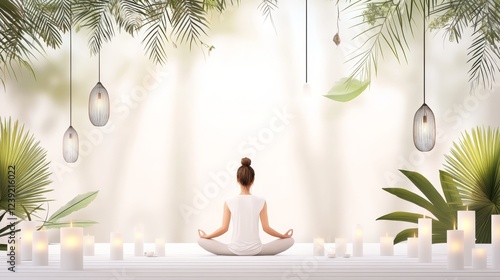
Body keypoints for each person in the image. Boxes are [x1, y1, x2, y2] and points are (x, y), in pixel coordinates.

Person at [197, 157, 294, 256]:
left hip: (234, 250)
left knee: (200, 240)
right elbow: (266, 228)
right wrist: (282, 236)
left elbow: (224, 228)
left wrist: (207, 236)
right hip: (256, 250)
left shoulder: (229, 201)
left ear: (237, 179)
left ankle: (208, 240)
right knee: (290, 241)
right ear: (253, 180)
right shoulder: (261, 201)